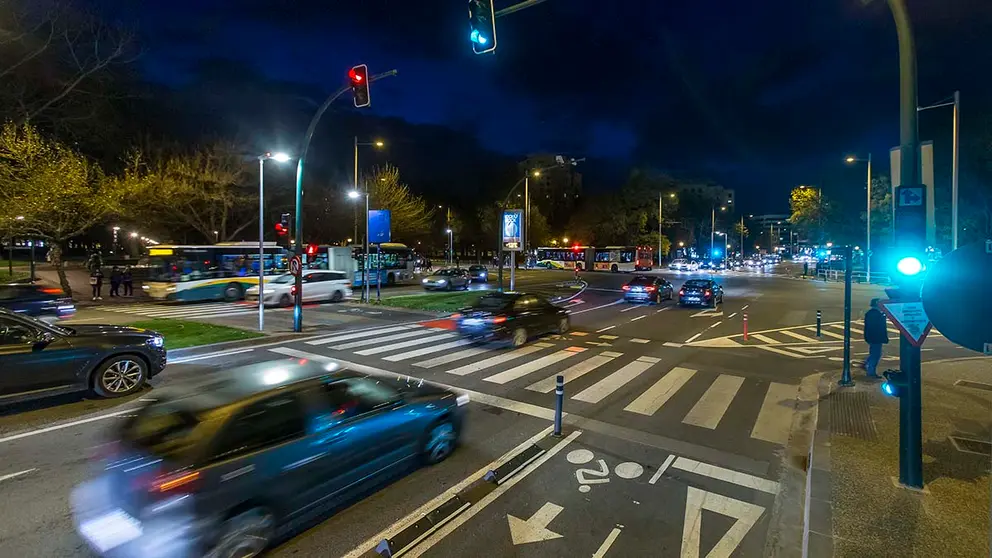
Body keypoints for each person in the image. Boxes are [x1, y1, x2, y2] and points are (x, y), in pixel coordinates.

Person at [862, 298, 889, 377]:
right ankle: (871, 372)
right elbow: (877, 328)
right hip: (875, 338)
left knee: (874, 353)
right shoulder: (876, 314)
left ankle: (866, 364)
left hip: (872, 337)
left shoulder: (872, 313)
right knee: (876, 354)